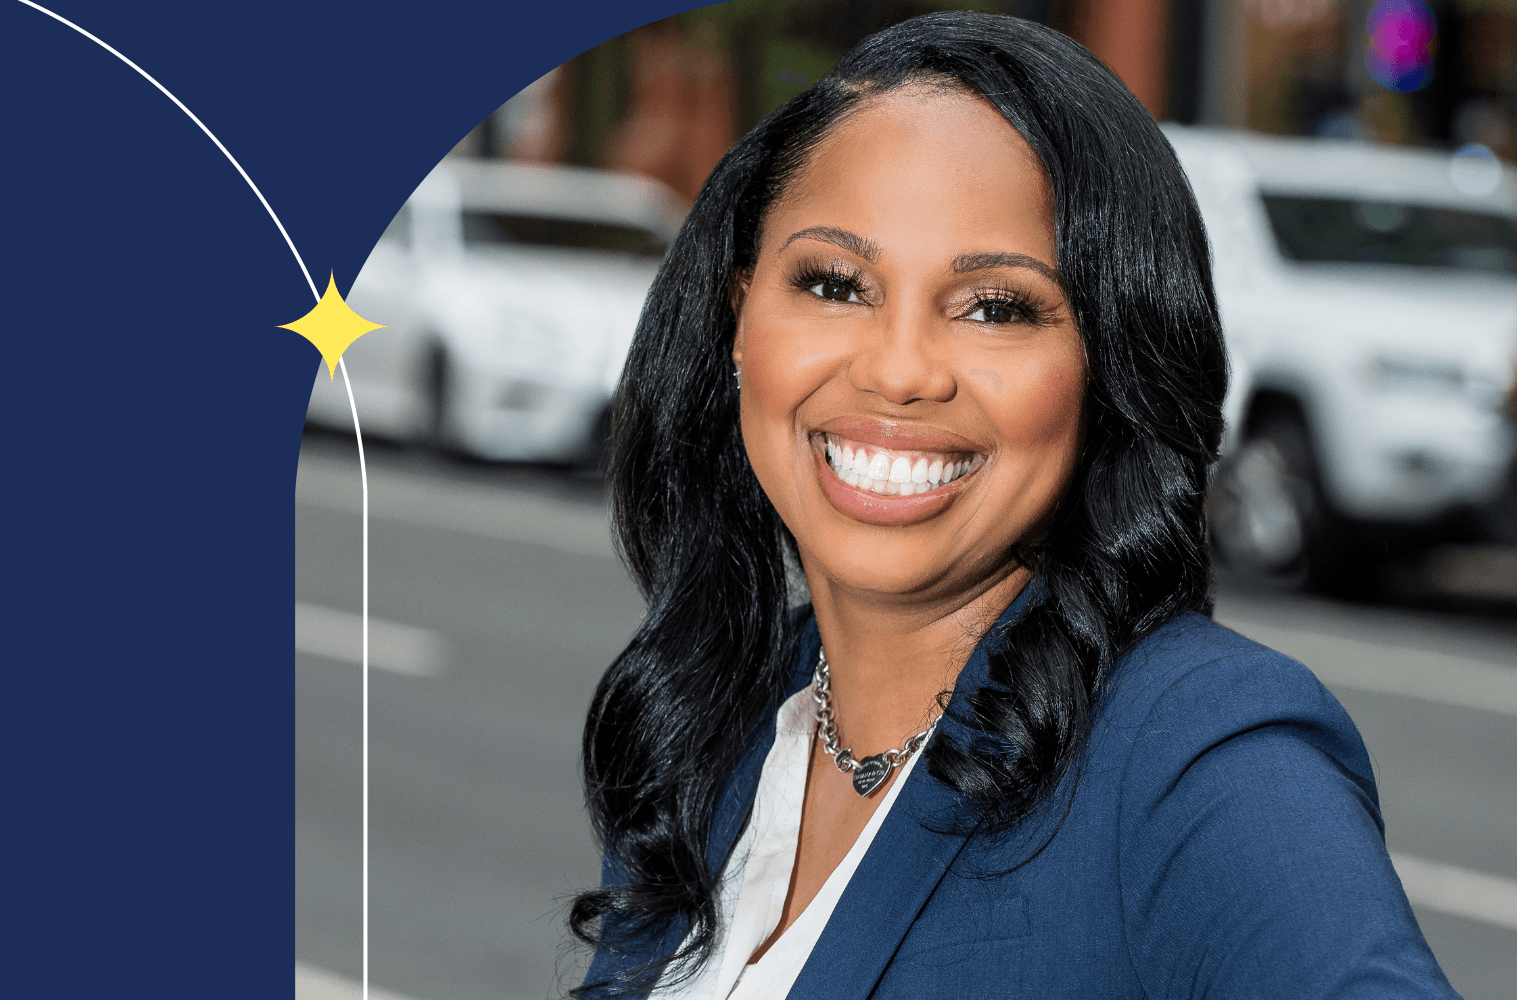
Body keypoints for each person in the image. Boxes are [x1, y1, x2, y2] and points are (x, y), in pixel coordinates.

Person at [570, 12, 1457, 1000]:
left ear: (1106, 363)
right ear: (737, 317)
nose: (897, 370)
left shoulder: (1192, 748)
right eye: (833, 283)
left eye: (994, 305)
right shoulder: (717, 716)